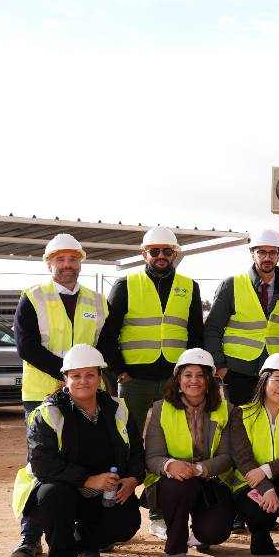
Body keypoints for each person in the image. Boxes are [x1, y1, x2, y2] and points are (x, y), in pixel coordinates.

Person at [11, 234, 112, 557]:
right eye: (60, 259)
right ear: (49, 263)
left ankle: (84, 531)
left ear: (80, 262)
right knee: (39, 463)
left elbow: (106, 345)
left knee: (85, 459)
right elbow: (27, 346)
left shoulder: (97, 301)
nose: (67, 265)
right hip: (42, 393)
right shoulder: (33, 297)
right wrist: (68, 374)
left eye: (73, 259)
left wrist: (85, 379)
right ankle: (31, 532)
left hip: (87, 394)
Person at [103, 226, 206, 540]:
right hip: (135, 380)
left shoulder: (189, 287)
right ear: (143, 253)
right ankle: (122, 510)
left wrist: (193, 373)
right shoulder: (126, 285)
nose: (161, 256)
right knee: (131, 444)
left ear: (176, 254)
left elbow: (195, 335)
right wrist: (119, 370)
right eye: (155, 251)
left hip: (173, 382)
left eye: (167, 251)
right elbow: (107, 334)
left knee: (170, 444)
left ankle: (161, 510)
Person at [10, 345, 142, 557]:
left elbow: (137, 451)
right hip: (64, 489)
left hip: (104, 491)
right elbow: (43, 464)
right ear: (66, 378)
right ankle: (63, 554)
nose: (83, 381)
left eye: (90, 375)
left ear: (100, 377)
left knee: (127, 521)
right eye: (76, 376)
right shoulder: (48, 413)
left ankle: (85, 541)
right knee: (52, 493)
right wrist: (88, 480)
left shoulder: (117, 408)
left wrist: (132, 478)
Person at [141, 348, 235, 557]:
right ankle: (176, 543)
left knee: (214, 532)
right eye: (188, 375)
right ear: (178, 379)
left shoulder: (225, 410)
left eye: (200, 375)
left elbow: (227, 455)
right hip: (174, 481)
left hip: (210, 479)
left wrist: (200, 469)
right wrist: (170, 465)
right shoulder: (159, 409)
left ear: (210, 380)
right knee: (178, 486)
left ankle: (201, 533)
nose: (194, 381)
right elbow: (152, 456)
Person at [226, 353, 279, 557]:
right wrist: (265, 487)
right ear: (264, 380)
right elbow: (242, 459)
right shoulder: (241, 413)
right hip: (248, 484)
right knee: (256, 512)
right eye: (277, 380)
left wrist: (266, 471)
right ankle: (260, 534)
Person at [204, 229, 279, 407]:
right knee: (239, 424)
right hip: (238, 371)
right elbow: (212, 329)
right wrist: (220, 366)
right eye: (261, 252)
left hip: (277, 371)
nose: (267, 257)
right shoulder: (231, 285)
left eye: (273, 252)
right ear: (252, 253)